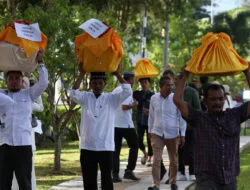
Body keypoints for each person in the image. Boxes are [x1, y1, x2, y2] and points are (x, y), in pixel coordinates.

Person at [173, 63, 250, 190]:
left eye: (220, 99)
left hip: (229, 177)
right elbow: (177, 100)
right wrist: (185, 75)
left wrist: (247, 72)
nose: (217, 102)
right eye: (213, 99)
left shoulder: (234, 115)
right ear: (205, 101)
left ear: (224, 100)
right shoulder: (198, 118)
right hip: (206, 179)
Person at [69, 64, 132, 190]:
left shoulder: (111, 99)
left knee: (107, 182)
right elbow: (72, 93)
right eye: (94, 83)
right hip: (87, 147)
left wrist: (117, 74)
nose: (97, 86)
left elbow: (127, 91)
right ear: (90, 84)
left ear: (105, 84)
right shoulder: (85, 97)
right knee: (89, 182)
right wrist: (81, 74)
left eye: (100, 83)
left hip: (106, 147)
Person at [0, 49, 48, 190]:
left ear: (22, 81)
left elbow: (44, 82)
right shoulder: (1, 95)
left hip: (23, 147)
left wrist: (40, 62)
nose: (14, 82)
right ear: (6, 81)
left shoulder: (29, 94)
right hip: (4, 146)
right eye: (11, 78)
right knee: (3, 185)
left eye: (17, 78)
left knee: (25, 185)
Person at [147, 77, 186, 190]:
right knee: (156, 159)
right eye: (167, 85)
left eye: (171, 85)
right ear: (161, 86)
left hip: (173, 133)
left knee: (173, 160)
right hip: (157, 132)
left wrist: (182, 133)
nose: (170, 87)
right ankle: (155, 184)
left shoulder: (175, 98)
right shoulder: (154, 98)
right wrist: (150, 130)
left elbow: (181, 117)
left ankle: (173, 182)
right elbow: (151, 115)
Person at [12, 77, 44, 190]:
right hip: (10, 142)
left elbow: (40, 107)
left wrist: (33, 88)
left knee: (27, 175)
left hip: (26, 142)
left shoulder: (28, 99)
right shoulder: (9, 97)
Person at [112, 71, 140, 183]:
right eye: (134, 78)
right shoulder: (127, 90)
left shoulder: (116, 90)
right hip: (126, 124)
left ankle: (114, 175)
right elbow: (124, 107)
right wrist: (134, 104)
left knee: (115, 151)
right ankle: (129, 171)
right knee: (134, 146)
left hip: (114, 124)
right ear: (130, 79)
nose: (134, 81)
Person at [174, 72, 201, 182]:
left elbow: (198, 109)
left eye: (177, 79)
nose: (175, 81)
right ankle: (180, 171)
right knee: (179, 150)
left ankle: (192, 172)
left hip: (190, 126)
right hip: (176, 126)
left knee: (191, 150)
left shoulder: (192, 92)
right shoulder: (173, 93)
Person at [133, 78, 154, 166]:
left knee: (150, 140)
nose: (143, 84)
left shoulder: (153, 95)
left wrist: (149, 111)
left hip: (149, 121)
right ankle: (145, 153)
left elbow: (155, 109)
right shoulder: (137, 93)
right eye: (142, 82)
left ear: (149, 83)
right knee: (139, 140)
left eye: (145, 82)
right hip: (140, 121)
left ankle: (149, 157)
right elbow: (131, 99)